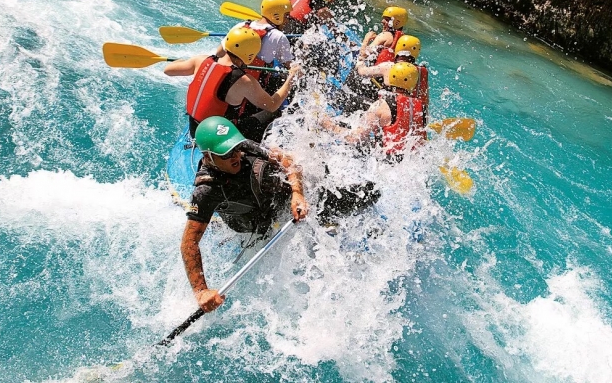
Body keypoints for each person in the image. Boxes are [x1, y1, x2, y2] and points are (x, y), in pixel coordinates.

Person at [181, 116, 309, 313]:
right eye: (226, 154)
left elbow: (287, 160)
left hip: (270, 199)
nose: (236, 156)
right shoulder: (206, 190)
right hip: (248, 221)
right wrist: (201, 291)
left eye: (236, 149)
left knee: (269, 170)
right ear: (208, 157)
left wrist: (297, 193)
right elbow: (189, 243)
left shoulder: (240, 146)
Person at [164, 26, 299, 141]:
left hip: (195, 127)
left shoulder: (201, 60)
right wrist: (291, 78)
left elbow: (168, 70)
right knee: (276, 112)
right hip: (218, 136)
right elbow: (272, 105)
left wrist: (187, 61)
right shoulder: (244, 81)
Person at [321, 62, 427, 160]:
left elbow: (355, 138)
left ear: (392, 77)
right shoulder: (421, 107)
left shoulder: (382, 105)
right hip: (412, 161)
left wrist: (329, 125)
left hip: (386, 164)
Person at [340, 35, 429, 116]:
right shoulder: (422, 72)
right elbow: (425, 100)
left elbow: (362, 71)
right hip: (414, 113)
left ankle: (342, 125)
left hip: (389, 112)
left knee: (354, 100)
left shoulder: (390, 66)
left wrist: (360, 60)